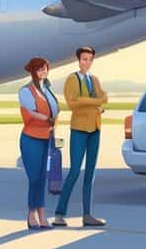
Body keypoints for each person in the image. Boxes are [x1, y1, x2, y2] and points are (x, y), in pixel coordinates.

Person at [53, 46, 107, 227]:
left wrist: (93, 102)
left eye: (90, 59)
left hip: (95, 129)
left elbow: (104, 98)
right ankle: (60, 213)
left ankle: (87, 214)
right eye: (84, 59)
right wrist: (96, 102)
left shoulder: (94, 79)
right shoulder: (72, 79)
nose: (87, 62)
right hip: (79, 130)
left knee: (90, 174)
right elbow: (73, 103)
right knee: (75, 171)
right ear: (78, 60)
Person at [18, 57, 59, 230]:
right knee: (34, 178)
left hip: (46, 138)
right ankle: (31, 214)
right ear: (33, 71)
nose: (43, 72)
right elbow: (32, 112)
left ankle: (42, 215)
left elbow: (55, 109)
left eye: (45, 69)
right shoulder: (26, 91)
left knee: (42, 179)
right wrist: (48, 119)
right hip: (31, 138)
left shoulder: (47, 89)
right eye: (40, 69)